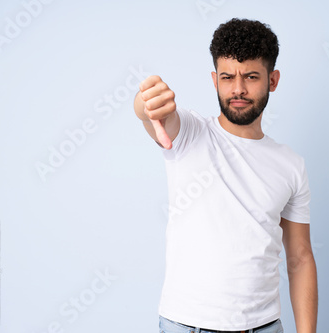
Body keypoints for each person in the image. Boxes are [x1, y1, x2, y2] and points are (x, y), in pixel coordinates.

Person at [133, 18, 318, 333]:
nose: (238, 89)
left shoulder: (291, 164)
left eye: (251, 76)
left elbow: (300, 258)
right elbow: (155, 116)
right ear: (214, 79)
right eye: (227, 77)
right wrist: (146, 103)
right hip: (186, 326)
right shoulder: (191, 133)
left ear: (272, 80)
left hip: (264, 327)